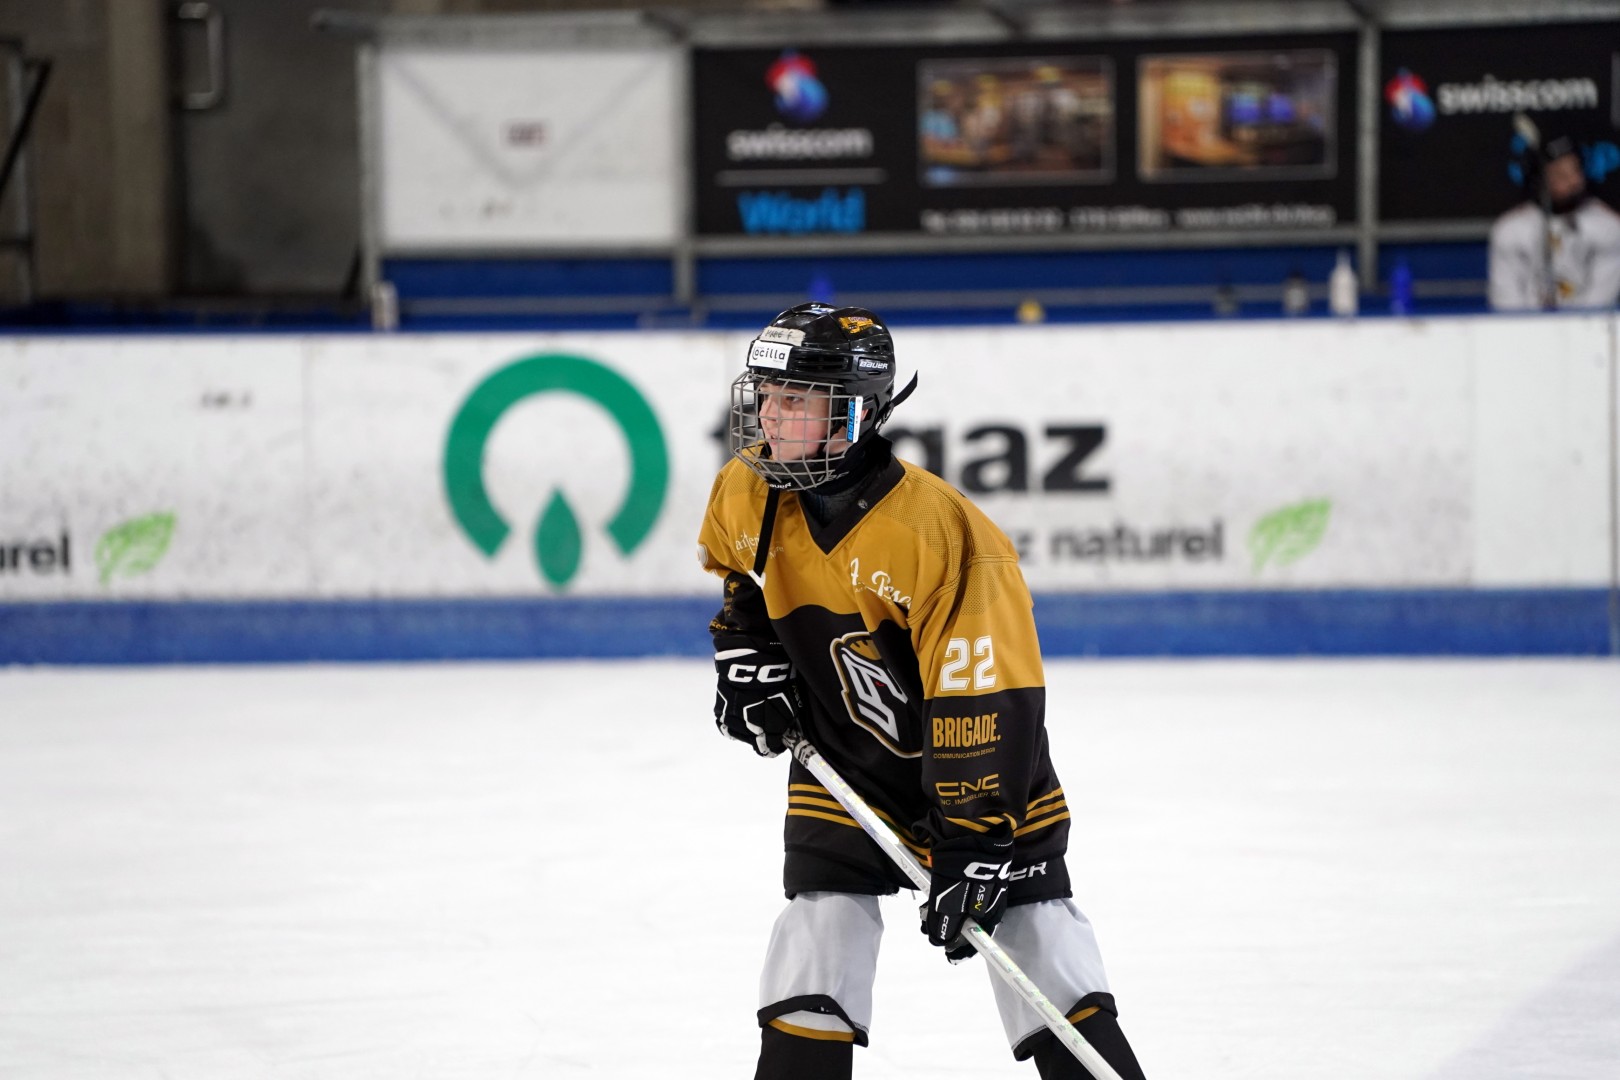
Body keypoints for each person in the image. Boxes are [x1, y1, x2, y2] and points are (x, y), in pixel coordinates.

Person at [696, 302, 1148, 1080]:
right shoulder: (746, 491)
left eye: (795, 399)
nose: (769, 415)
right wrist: (748, 658)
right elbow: (744, 584)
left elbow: (987, 695)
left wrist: (975, 840)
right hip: (843, 760)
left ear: (855, 414)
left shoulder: (943, 535)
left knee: (1040, 944)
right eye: (766, 394)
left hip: (983, 777)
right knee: (818, 933)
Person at [1488, 133, 1620, 310]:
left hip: (1588, 324)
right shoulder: (1510, 229)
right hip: (1524, 324)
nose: (1573, 181)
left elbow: (1600, 302)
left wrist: (1569, 326)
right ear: (1540, 179)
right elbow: (1505, 302)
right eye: (1560, 174)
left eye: (1576, 170)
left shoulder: (1609, 226)